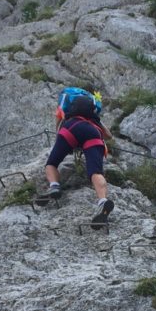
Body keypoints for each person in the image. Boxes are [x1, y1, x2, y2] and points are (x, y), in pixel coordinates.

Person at [42, 88, 114, 227]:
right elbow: (109, 136)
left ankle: (55, 186)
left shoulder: (68, 112)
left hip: (70, 128)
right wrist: (96, 119)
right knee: (96, 171)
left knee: (52, 163)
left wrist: (60, 136)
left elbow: (59, 120)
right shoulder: (93, 119)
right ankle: (103, 201)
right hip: (92, 133)